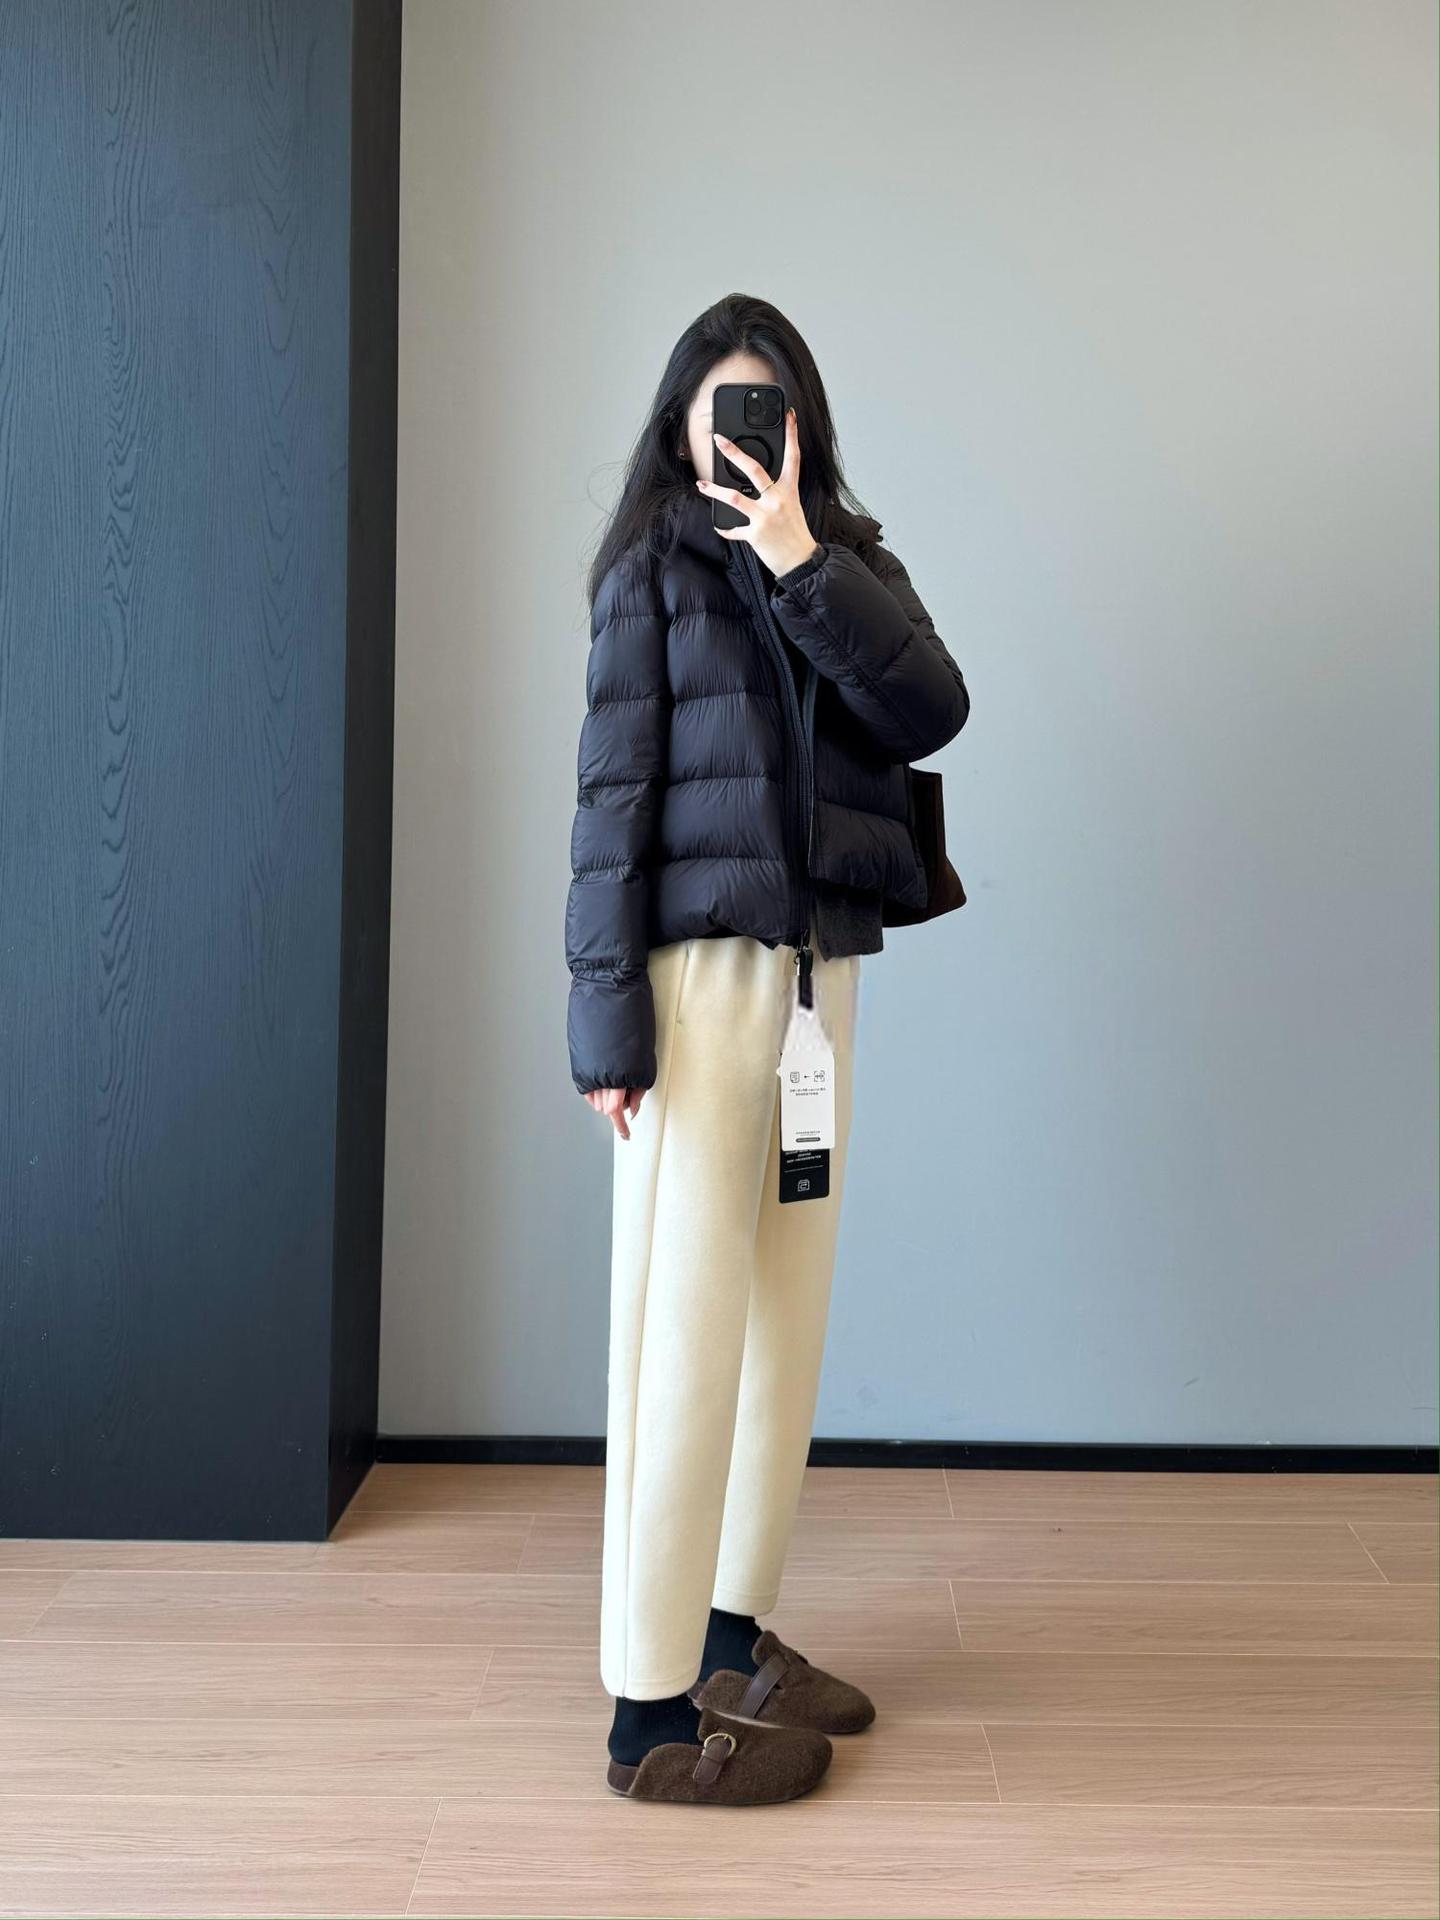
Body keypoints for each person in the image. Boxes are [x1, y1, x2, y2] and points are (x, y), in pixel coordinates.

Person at [565, 294, 970, 1804]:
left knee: (783, 1330)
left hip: (817, 982)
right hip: (695, 989)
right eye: (720, 409)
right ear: (678, 428)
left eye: (770, 411)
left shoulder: (847, 562)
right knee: (683, 1344)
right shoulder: (651, 574)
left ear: (804, 429)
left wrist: (803, 558)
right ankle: (649, 1715)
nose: (744, 435)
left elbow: (933, 707)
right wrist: (605, 1023)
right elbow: (610, 801)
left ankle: (734, 1636)